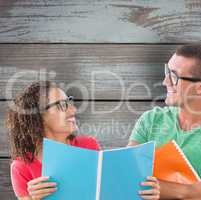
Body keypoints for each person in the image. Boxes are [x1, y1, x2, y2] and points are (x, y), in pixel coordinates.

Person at [128, 43, 201, 200]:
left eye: (174, 76)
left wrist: (162, 188)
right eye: (167, 72)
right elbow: (127, 177)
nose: (165, 82)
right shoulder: (150, 119)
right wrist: (193, 190)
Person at [6, 81, 160, 200]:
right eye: (62, 105)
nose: (73, 110)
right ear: (37, 116)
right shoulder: (21, 167)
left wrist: (143, 190)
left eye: (70, 102)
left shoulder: (88, 145)